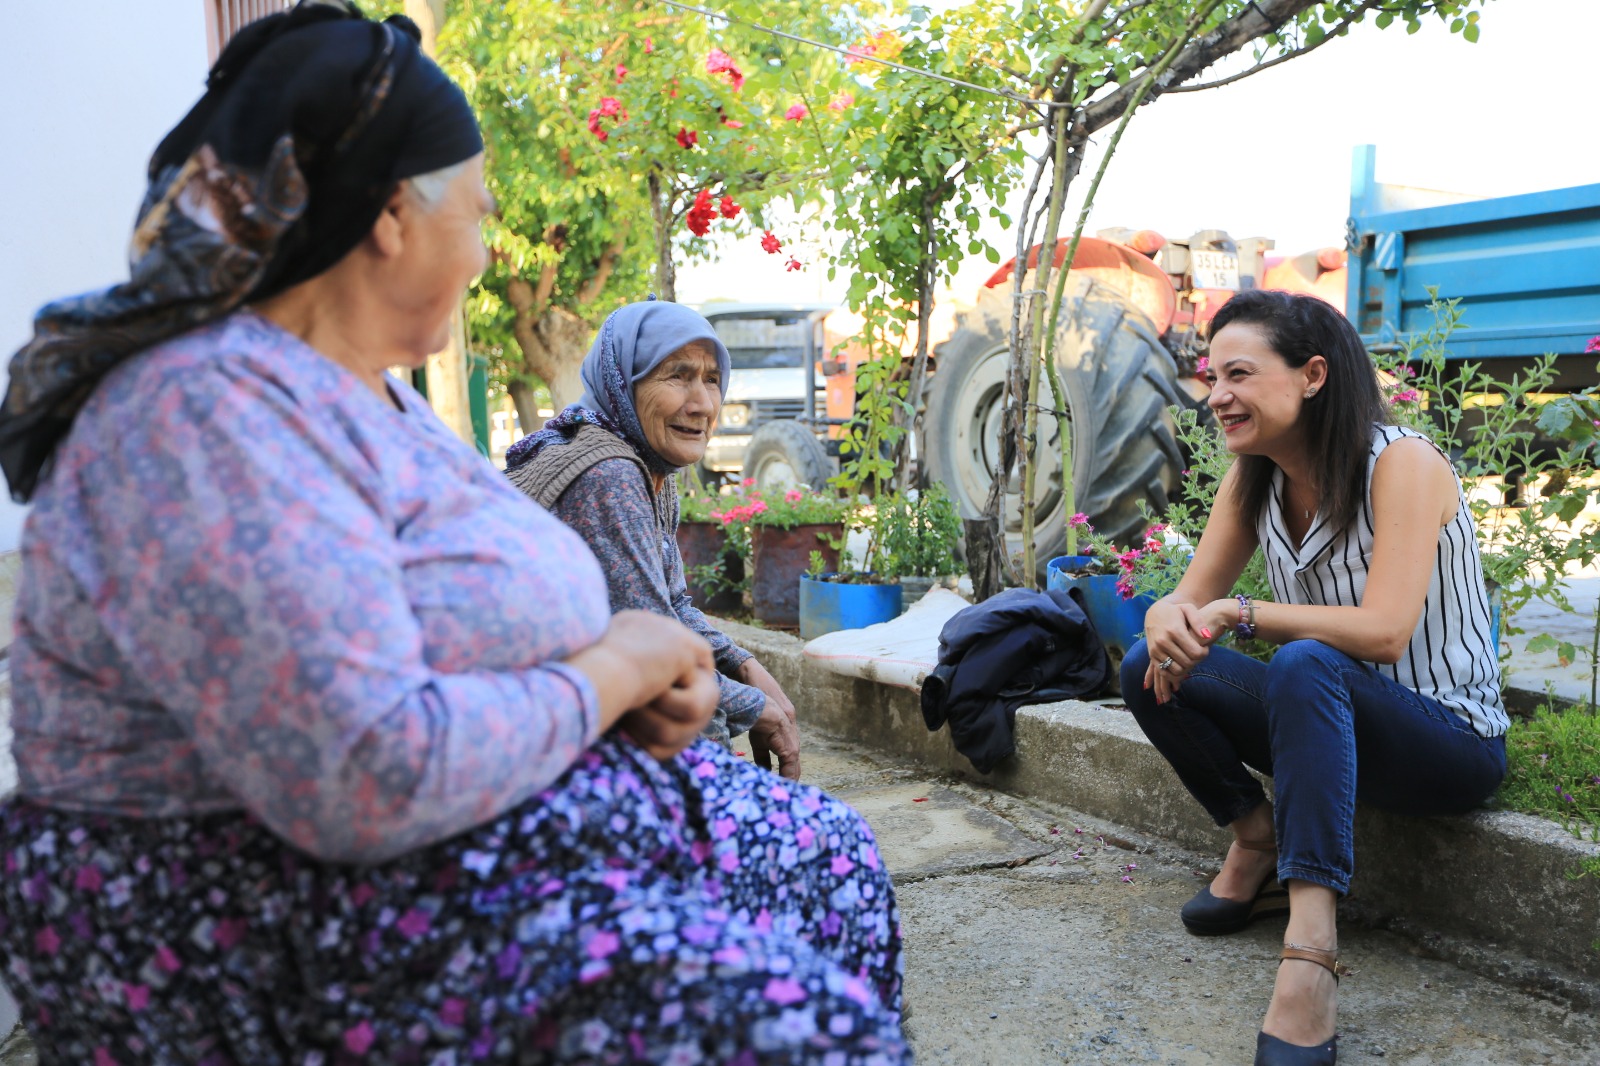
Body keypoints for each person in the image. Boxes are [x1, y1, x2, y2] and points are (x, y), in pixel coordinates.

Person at [0, 5, 905, 1061]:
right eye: (474, 216)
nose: (481, 254)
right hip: (258, 909)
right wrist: (610, 675)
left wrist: (630, 689)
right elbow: (364, 770)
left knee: (831, 857)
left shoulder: (370, 394)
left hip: (458, 827)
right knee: (810, 1028)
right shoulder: (203, 416)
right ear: (393, 214)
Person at [1120, 289, 1507, 1066]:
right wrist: (1165, 614)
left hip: (1446, 739)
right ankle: (1255, 835)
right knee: (1145, 664)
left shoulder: (1403, 463)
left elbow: (1386, 630)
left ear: (1313, 375)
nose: (1216, 396)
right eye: (1211, 377)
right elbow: (1188, 602)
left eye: (1238, 374)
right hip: (1327, 721)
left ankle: (1310, 951)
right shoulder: (1252, 479)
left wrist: (1243, 612)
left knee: (1304, 659)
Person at [503, 300, 803, 779]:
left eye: (711, 379)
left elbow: (672, 606)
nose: (702, 404)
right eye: (677, 376)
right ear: (624, 382)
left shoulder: (645, 464)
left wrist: (744, 664)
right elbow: (656, 657)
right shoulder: (608, 473)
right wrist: (754, 706)